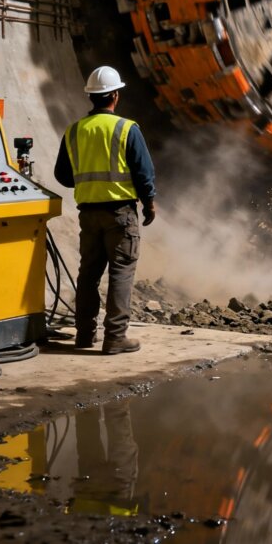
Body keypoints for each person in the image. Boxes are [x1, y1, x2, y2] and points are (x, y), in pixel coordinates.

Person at [54, 66, 156, 355]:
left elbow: (63, 175)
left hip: (88, 214)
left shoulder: (74, 131)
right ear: (115, 95)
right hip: (120, 214)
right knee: (121, 273)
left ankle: (84, 335)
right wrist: (149, 202)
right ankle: (115, 338)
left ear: (91, 97)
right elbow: (143, 171)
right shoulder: (126, 128)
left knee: (88, 274)